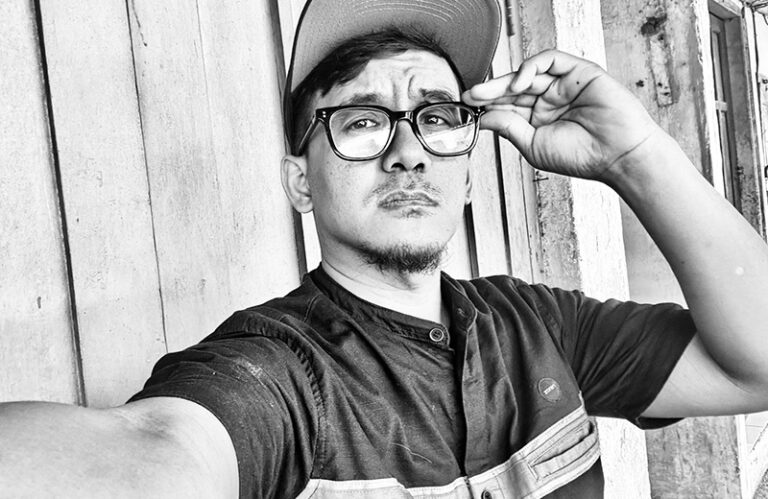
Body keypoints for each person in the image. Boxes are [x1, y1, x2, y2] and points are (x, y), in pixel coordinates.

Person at [2, 0, 768, 497]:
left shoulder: (541, 329)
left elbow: (756, 363)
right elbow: (160, 450)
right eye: (363, 121)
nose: (407, 153)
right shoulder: (278, 379)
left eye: (436, 117)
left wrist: (634, 155)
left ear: (465, 172)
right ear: (300, 181)